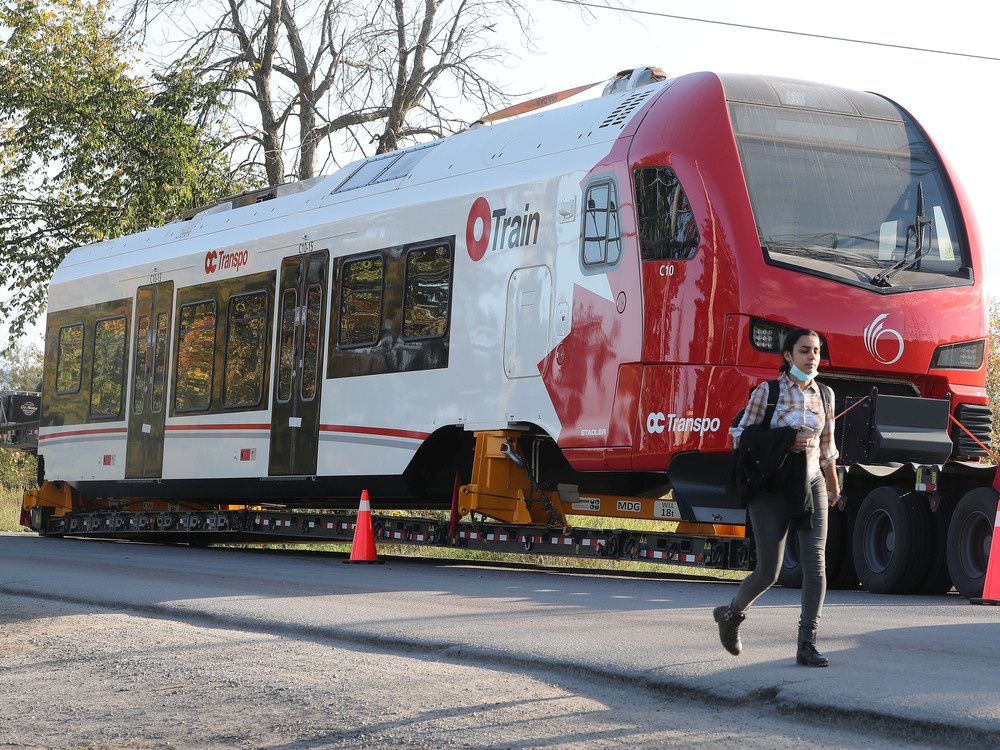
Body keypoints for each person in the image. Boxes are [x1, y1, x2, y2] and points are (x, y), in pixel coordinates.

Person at [713, 328, 840, 667]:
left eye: (815, 351)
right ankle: (731, 614)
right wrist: (784, 442)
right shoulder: (767, 393)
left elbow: (827, 447)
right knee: (769, 570)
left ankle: (807, 643)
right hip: (770, 486)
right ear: (788, 356)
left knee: (816, 564)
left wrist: (833, 483)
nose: (811, 356)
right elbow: (739, 435)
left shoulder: (825, 395)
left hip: (809, 482)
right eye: (804, 350)